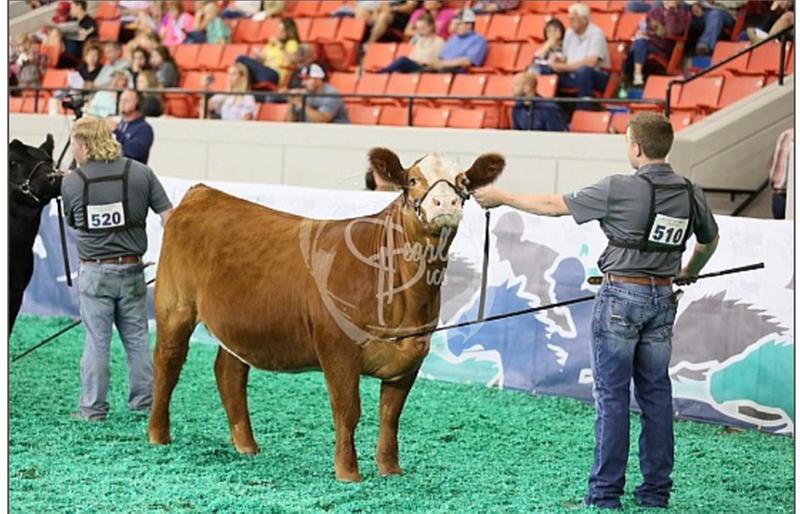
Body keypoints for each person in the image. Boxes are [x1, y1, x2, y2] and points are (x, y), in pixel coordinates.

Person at [473, 112, 719, 510]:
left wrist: (502, 197)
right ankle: (655, 492)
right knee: (656, 395)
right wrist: (688, 271)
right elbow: (709, 241)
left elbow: (555, 206)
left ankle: (605, 494)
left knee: (613, 397)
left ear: (636, 147)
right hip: (663, 299)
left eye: (627, 142)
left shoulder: (620, 187)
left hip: (621, 297)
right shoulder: (691, 191)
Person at [61, 116, 173, 422]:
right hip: (133, 269)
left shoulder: (72, 181)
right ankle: (143, 404)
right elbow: (169, 217)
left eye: (74, 143)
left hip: (95, 273)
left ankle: (92, 408)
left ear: (84, 144)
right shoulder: (140, 173)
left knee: (97, 342)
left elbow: (72, 222)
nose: (73, 149)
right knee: (137, 339)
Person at [536, 3, 609, 110]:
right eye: (569, 19)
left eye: (574, 19)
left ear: (585, 19)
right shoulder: (569, 33)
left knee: (583, 71)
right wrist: (557, 61)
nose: (570, 22)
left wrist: (563, 67)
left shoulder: (596, 33)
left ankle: (583, 111)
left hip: (595, 76)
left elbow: (591, 62)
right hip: (572, 74)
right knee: (546, 69)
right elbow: (566, 58)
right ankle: (549, 109)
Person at [625, 0, 690, 86]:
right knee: (637, 42)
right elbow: (647, 25)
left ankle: (629, 77)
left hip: (664, 47)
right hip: (650, 42)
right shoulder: (656, 11)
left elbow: (672, 31)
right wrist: (644, 32)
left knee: (638, 44)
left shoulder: (682, 14)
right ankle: (636, 76)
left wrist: (670, 11)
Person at [235, 17, 300, 87]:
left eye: (282, 30)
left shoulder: (292, 43)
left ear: (289, 31)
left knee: (241, 59)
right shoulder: (272, 44)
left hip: (275, 75)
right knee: (240, 64)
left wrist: (280, 46)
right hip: (264, 71)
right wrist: (258, 55)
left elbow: (289, 61)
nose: (279, 33)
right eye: (279, 30)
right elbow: (262, 59)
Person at [285, 63, 350, 123]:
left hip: (337, 132)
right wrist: (292, 104)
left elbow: (323, 120)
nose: (303, 83)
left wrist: (300, 104)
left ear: (318, 80)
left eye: (307, 79)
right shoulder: (305, 92)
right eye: (303, 79)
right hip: (312, 132)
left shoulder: (331, 94)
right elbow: (290, 123)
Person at [380, 13, 445, 73]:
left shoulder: (439, 41)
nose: (420, 31)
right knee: (399, 67)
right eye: (418, 29)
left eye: (422, 28)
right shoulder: (419, 40)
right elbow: (412, 57)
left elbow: (439, 62)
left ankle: (382, 72)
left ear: (431, 26)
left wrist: (423, 62)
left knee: (402, 60)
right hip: (415, 65)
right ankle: (383, 73)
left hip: (426, 69)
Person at [106, 89, 156, 164]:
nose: (122, 103)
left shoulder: (144, 128)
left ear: (138, 104)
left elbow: (136, 152)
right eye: (121, 100)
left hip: (133, 172)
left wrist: (117, 132)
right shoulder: (121, 125)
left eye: (127, 100)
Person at [54, 0, 97, 65]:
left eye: (72, 7)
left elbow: (89, 35)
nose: (70, 10)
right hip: (66, 47)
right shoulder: (73, 20)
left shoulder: (90, 22)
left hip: (77, 50)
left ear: (79, 7)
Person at [768, 127, 793, 219]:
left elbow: (773, 162)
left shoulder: (786, 134)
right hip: (785, 193)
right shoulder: (789, 136)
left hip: (779, 192)